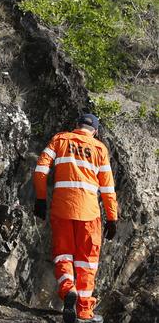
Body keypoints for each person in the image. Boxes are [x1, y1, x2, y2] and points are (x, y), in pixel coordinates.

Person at [33, 113, 118, 323]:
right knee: (87, 262)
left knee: (63, 255)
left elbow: (40, 171)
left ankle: (68, 289)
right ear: (95, 131)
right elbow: (108, 189)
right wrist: (112, 218)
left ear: (76, 126)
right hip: (89, 213)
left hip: (62, 209)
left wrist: (41, 199)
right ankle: (84, 311)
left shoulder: (60, 139)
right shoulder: (99, 149)